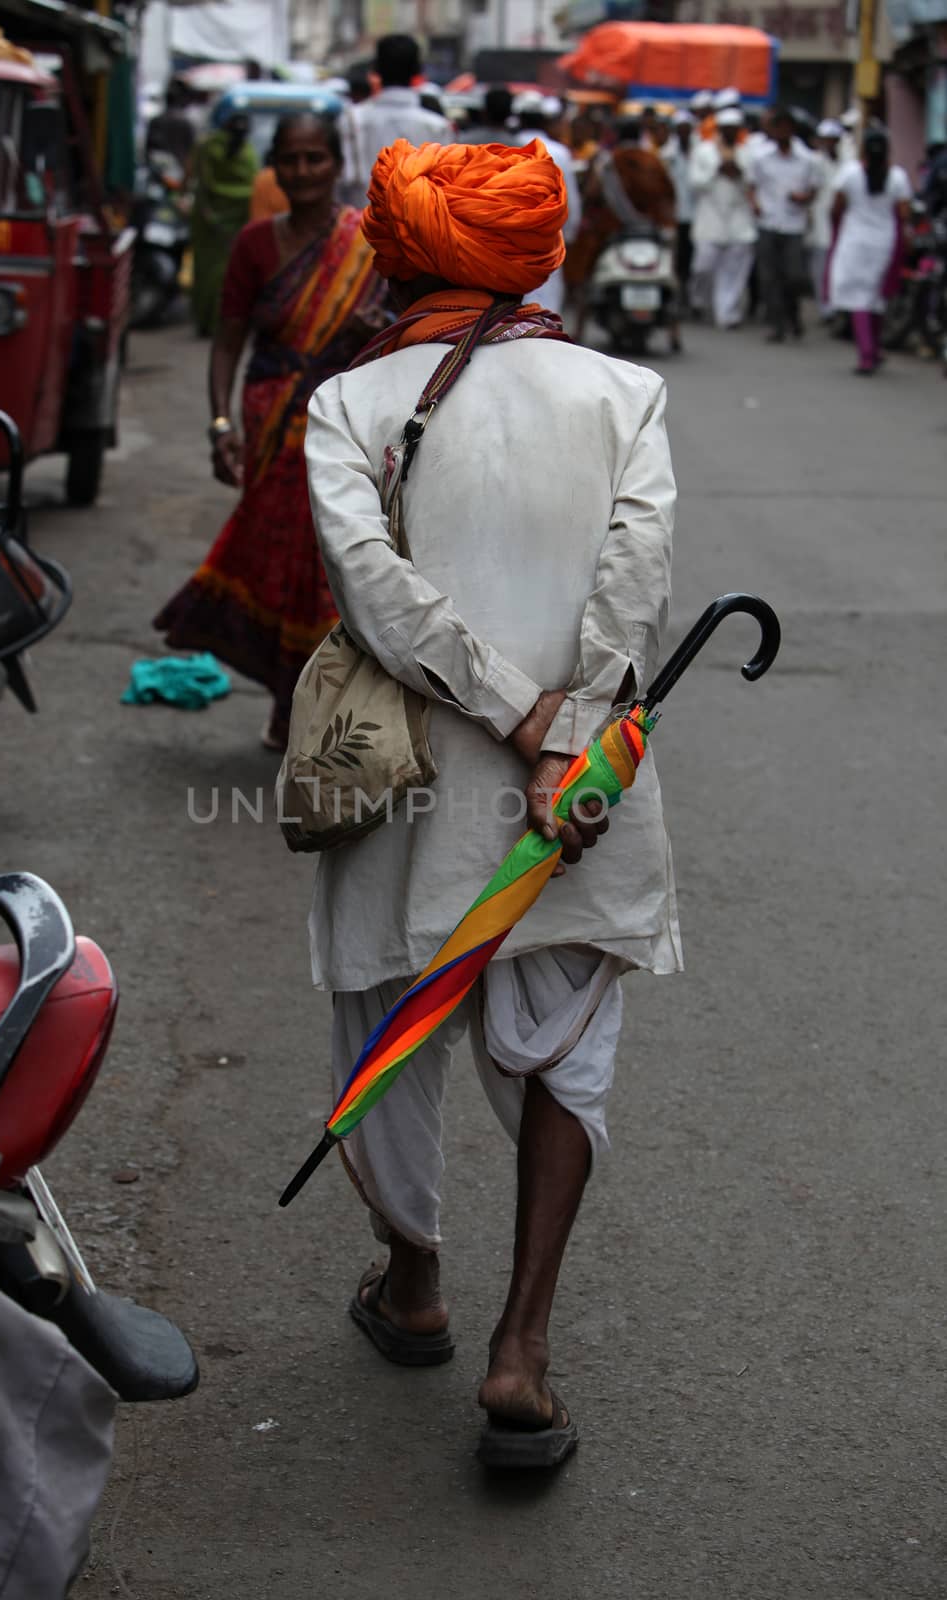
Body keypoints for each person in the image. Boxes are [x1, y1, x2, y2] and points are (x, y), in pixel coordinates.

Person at [302, 136, 680, 1467]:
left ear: (400, 252)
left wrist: (513, 715)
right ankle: (520, 1351)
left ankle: (413, 1291)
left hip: (407, 786)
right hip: (579, 791)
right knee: (567, 1051)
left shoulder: (347, 405)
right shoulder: (621, 391)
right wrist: (566, 734)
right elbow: (632, 587)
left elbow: (373, 594)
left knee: (389, 1030)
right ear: (531, 254)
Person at [155, 115, 387, 748]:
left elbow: (410, 329)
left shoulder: (370, 241)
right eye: (292, 159)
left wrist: (377, 333)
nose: (304, 171)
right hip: (272, 416)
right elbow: (228, 341)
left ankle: (319, 706)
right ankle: (290, 702)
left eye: (316, 158)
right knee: (278, 559)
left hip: (346, 419)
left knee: (333, 561)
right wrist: (220, 422)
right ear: (274, 168)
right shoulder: (255, 244)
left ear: (337, 165)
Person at [572, 118, 679, 348]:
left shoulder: (607, 162)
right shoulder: (654, 161)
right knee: (670, 272)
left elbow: (592, 193)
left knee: (588, 273)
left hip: (613, 231)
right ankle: (674, 333)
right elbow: (669, 195)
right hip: (652, 232)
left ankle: (579, 328)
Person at [829, 125, 912, 375]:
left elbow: (836, 208)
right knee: (875, 297)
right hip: (883, 242)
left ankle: (867, 353)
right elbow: (904, 214)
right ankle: (873, 350)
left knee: (859, 298)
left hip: (854, 240)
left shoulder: (850, 173)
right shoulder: (898, 177)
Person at [340, 34, 450, 204]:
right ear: (417, 70)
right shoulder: (438, 127)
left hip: (362, 224)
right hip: (418, 227)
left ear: (376, 69)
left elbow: (344, 181)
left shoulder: (352, 119)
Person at [747, 105, 820, 342]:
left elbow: (814, 190)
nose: (781, 132)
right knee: (769, 277)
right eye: (777, 128)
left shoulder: (807, 159)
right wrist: (755, 204)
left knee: (794, 275)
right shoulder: (761, 157)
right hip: (768, 221)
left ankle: (793, 314)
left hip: (793, 225)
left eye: (786, 128)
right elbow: (751, 185)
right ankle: (776, 324)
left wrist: (804, 198)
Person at [189, 105, 259, 338]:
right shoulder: (248, 153)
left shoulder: (208, 147)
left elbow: (201, 183)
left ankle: (205, 321)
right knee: (229, 273)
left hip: (207, 223)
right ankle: (223, 323)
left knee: (206, 272)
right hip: (235, 222)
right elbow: (252, 186)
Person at [512, 91, 582, 315]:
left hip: (511, 240)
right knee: (548, 308)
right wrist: (569, 235)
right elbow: (570, 199)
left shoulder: (507, 146)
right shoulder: (559, 152)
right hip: (549, 240)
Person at [689, 106, 758, 327]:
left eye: (734, 129)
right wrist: (718, 168)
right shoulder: (704, 150)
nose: (730, 132)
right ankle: (698, 300)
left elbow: (754, 182)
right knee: (703, 266)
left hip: (739, 218)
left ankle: (727, 314)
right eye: (726, 128)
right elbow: (695, 182)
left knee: (734, 270)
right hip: (710, 218)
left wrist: (738, 170)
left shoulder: (747, 152)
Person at [807, 118, 843, 320]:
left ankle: (836, 304)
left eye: (833, 140)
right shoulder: (814, 161)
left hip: (839, 220)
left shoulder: (846, 162)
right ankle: (824, 306)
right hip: (820, 217)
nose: (829, 144)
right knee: (820, 265)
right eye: (825, 140)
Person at [663, 108, 696, 308]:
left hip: (695, 215)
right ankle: (675, 296)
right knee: (675, 257)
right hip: (674, 214)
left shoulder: (701, 151)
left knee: (691, 259)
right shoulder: (668, 153)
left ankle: (689, 296)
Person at [146, 83, 196, 174]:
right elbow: (192, 150)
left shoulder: (156, 121)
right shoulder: (186, 122)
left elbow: (149, 149)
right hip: (180, 169)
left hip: (160, 170)